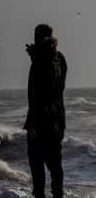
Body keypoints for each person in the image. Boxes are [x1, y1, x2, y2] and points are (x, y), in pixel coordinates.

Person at [24, 23, 67, 198]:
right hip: (57, 118)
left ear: (37, 36)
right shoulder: (59, 57)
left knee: (37, 164)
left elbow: (38, 95)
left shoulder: (42, 61)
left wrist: (32, 124)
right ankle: (58, 195)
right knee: (55, 165)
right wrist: (35, 57)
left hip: (41, 120)